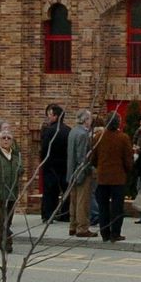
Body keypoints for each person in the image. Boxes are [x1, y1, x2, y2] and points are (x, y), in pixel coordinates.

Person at [92, 114, 133, 242]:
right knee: (117, 207)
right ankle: (115, 233)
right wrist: (127, 171)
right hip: (118, 178)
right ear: (118, 123)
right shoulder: (123, 138)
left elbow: (92, 158)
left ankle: (105, 233)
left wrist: (99, 166)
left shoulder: (98, 137)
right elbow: (128, 160)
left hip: (103, 177)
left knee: (103, 207)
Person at [65, 109, 96, 237]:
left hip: (71, 171)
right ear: (86, 120)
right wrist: (88, 169)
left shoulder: (73, 131)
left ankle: (73, 225)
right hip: (81, 172)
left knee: (74, 200)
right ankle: (82, 228)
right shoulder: (83, 134)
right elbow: (82, 156)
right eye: (90, 119)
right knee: (83, 202)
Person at [39, 104, 70, 224]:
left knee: (50, 192)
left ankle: (48, 215)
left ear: (56, 116)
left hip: (50, 166)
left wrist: (43, 163)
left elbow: (44, 149)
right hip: (65, 165)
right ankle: (65, 214)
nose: (48, 118)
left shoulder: (49, 131)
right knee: (66, 191)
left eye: (50, 115)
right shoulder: (68, 130)